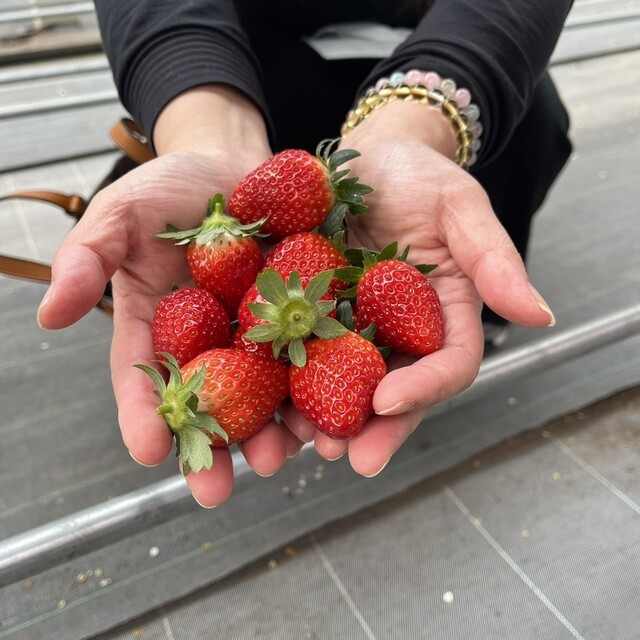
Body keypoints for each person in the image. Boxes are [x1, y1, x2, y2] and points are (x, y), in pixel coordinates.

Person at [36, 0, 574, 507]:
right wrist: (206, 130)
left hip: (442, 34)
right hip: (240, 48)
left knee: (535, 122)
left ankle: (484, 315)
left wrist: (422, 118)